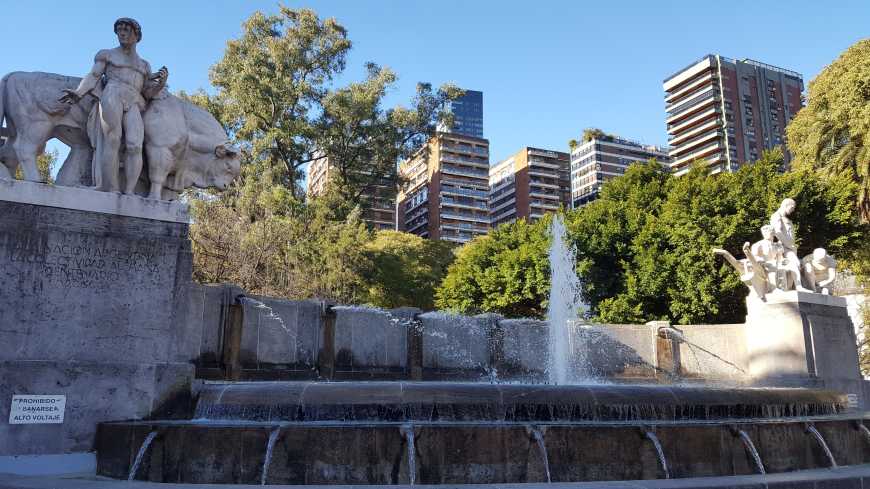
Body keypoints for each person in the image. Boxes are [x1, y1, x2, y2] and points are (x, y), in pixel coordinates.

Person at [59, 18, 167, 194]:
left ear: (136, 35)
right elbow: (94, 75)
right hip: (112, 94)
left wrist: (160, 84)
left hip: (134, 100)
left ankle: (130, 192)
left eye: (126, 30)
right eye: (119, 30)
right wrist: (79, 92)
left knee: (135, 146)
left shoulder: (144, 65)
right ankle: (111, 188)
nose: (122, 33)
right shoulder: (107, 54)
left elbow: (147, 94)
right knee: (113, 140)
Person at [769, 198, 810, 292]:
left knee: (796, 265)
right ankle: (799, 287)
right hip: (784, 247)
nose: (793, 210)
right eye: (792, 207)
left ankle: (791, 289)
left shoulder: (785, 218)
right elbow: (777, 232)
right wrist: (789, 245)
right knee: (795, 263)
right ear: (786, 205)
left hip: (790, 248)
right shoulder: (776, 216)